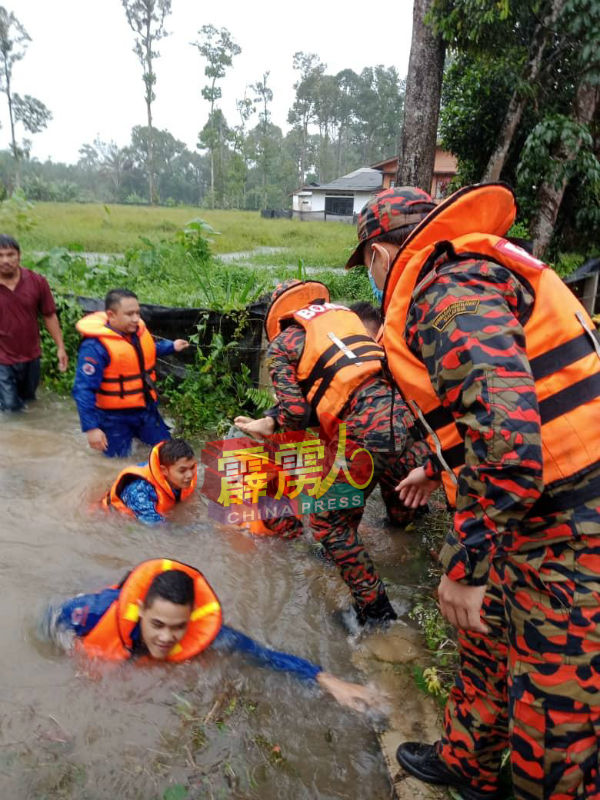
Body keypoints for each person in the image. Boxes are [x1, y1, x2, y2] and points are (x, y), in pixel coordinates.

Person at [346, 183, 600, 800]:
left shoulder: (449, 288)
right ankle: (470, 762)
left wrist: (467, 561)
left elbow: (510, 444)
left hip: (570, 521)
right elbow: (500, 403)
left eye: (368, 263)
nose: (372, 276)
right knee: (484, 636)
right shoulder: (469, 272)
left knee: (556, 709)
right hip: (529, 507)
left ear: (380, 252)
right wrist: (435, 470)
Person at [234, 280, 432, 629]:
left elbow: (295, 412)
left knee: (329, 524)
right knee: (402, 494)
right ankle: (412, 544)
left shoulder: (283, 344)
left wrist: (274, 427)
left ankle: (377, 614)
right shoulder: (348, 317)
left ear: (278, 318)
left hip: (363, 432)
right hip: (406, 417)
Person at [41, 558, 384, 713]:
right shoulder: (96, 611)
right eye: (157, 625)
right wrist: (75, 651)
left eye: (178, 627)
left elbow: (264, 656)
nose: (166, 637)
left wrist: (328, 680)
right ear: (141, 610)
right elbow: (47, 621)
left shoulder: (208, 634)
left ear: (190, 619)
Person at [72, 289, 189, 457]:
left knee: (167, 454)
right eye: (129, 314)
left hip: (144, 408)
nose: (136, 318)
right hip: (114, 418)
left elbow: (142, 353)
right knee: (115, 465)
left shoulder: (135, 333)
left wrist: (171, 346)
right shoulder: (94, 348)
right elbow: (83, 390)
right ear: (111, 315)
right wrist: (91, 428)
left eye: (137, 313)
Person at [0, 234, 68, 411]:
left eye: (10, 254)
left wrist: (60, 347)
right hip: (2, 359)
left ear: (19, 256)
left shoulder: (37, 282)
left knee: (29, 402)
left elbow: (49, 315)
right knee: (11, 408)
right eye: (0, 256)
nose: (5, 260)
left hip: (31, 356)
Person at [102, 438, 197, 524]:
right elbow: (158, 528)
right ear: (164, 470)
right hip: (113, 518)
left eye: (192, 467)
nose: (189, 475)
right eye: (182, 470)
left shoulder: (184, 475)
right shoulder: (139, 493)